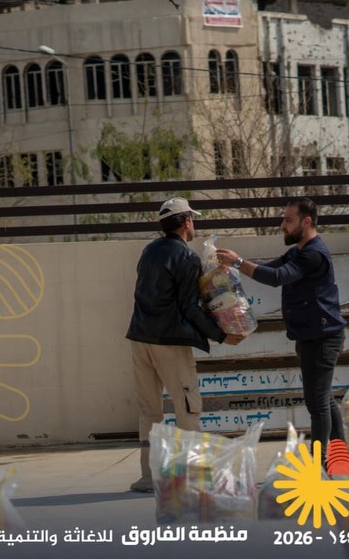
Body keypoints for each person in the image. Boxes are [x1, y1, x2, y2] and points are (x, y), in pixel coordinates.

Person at [126, 197, 244, 492]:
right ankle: (194, 476)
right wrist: (221, 335)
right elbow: (190, 307)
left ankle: (148, 477)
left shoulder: (149, 251)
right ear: (186, 221)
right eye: (193, 219)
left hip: (140, 338)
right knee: (187, 407)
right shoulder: (186, 257)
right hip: (170, 343)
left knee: (149, 411)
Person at [216, 197, 347, 462]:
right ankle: (339, 455)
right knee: (323, 398)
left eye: (288, 220)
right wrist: (234, 265)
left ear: (306, 222)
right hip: (312, 335)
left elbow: (278, 278)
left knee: (317, 403)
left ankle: (319, 463)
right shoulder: (299, 251)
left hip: (322, 338)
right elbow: (270, 268)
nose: (282, 225)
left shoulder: (313, 254)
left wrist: (238, 262)